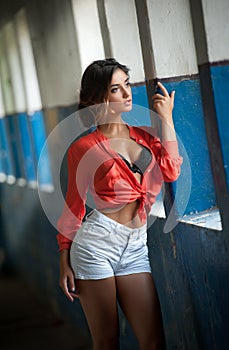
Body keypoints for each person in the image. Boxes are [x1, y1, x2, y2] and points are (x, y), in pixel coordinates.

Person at [57, 58, 182, 350]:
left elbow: (171, 170)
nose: (127, 94)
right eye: (116, 89)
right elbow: (74, 206)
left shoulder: (145, 137)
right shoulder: (84, 148)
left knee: (153, 341)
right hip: (95, 247)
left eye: (127, 84)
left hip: (136, 246)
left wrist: (167, 119)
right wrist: (63, 257)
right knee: (107, 341)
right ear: (100, 97)